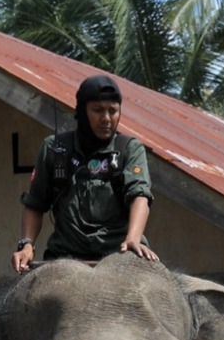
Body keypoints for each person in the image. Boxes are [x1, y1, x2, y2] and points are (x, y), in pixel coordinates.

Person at [11, 74, 159, 273]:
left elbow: (139, 195)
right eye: (97, 110)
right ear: (82, 111)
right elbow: (35, 204)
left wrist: (133, 239)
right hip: (65, 257)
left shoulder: (130, 149)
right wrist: (26, 245)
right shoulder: (54, 148)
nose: (106, 118)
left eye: (113, 111)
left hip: (120, 255)